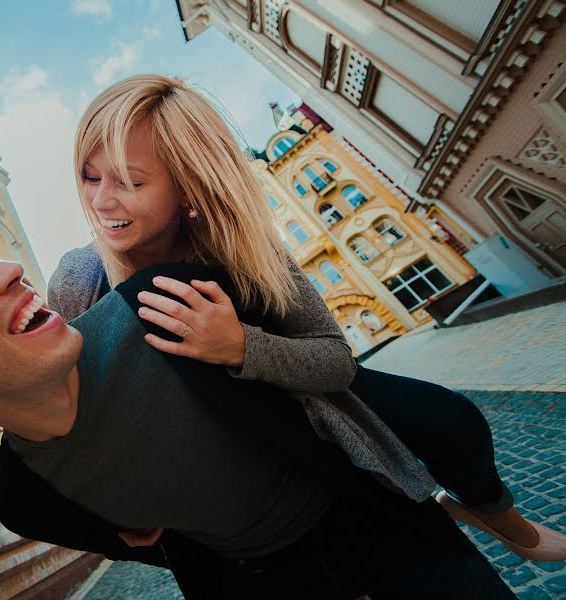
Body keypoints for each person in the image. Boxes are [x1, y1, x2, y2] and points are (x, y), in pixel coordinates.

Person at [0, 225, 518, 599]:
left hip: (395, 537)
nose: (7, 270)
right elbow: (162, 545)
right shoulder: (27, 500)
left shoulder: (166, 303)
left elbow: (340, 375)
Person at [49, 73, 566, 563]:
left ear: (189, 187)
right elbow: (82, 410)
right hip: (218, 474)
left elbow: (336, 362)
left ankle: (500, 519)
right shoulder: (80, 279)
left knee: (453, 420)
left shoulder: (242, 249)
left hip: (300, 405)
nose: (100, 201)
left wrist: (240, 346)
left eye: (130, 182)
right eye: (89, 177)